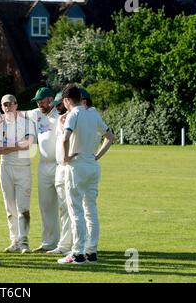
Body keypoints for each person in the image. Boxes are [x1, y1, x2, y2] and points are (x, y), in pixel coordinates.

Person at [57, 84, 114, 264]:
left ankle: (77, 253)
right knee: (91, 210)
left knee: (76, 211)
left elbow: (65, 139)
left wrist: (65, 157)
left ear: (67, 100)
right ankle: (91, 251)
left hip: (77, 166)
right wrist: (96, 156)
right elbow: (110, 137)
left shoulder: (74, 114)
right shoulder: (93, 113)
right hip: (92, 166)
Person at [0, 94, 35, 254]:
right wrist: (17, 144)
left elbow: (28, 145)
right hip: (6, 167)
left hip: (23, 167)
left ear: (16, 105)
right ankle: (15, 241)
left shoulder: (26, 122)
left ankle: (24, 242)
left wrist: (8, 145)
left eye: (10, 104)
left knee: (23, 207)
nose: (8, 107)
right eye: (4, 105)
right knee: (9, 207)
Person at [26, 87, 61, 253]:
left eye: (42, 99)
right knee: (46, 206)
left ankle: (68, 244)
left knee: (65, 206)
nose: (39, 103)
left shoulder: (60, 115)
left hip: (60, 165)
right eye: (37, 100)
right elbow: (15, 114)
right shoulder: (36, 114)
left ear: (51, 99)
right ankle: (48, 242)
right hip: (43, 165)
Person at [46, 91, 72, 256]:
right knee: (64, 207)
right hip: (58, 167)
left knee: (70, 208)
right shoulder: (61, 118)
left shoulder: (73, 117)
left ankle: (69, 245)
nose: (56, 107)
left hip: (68, 166)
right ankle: (66, 244)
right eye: (55, 104)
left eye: (59, 104)